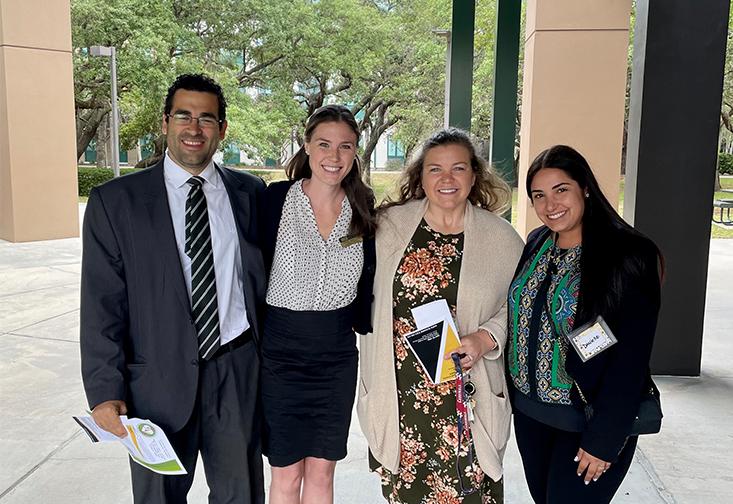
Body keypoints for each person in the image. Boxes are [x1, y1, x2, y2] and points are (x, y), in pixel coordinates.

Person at [80, 74, 266, 503]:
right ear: (165, 122)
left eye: (206, 118)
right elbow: (101, 305)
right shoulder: (116, 201)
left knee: (242, 495)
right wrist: (105, 391)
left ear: (222, 128)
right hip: (156, 381)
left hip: (235, 372)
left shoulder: (250, 193)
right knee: (158, 498)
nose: (194, 128)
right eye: (184, 115)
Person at [358, 128, 524, 503]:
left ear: (474, 175)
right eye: (435, 169)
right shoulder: (388, 227)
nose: (447, 179)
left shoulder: (503, 239)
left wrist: (486, 338)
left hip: (468, 395)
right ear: (420, 176)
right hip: (402, 395)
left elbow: (520, 306)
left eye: (458, 168)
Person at [507, 145, 663, 504]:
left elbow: (631, 361)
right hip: (531, 416)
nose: (550, 205)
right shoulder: (537, 243)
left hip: (587, 419)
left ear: (586, 189)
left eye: (561, 190)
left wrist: (604, 440)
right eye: (538, 196)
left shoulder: (628, 255)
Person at [258, 104, 377, 504]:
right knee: (286, 474)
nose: (334, 156)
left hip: (336, 355)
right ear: (306, 145)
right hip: (280, 354)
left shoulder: (364, 208)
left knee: (323, 473)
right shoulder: (274, 201)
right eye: (324, 143)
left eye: (346, 146)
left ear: (355, 152)